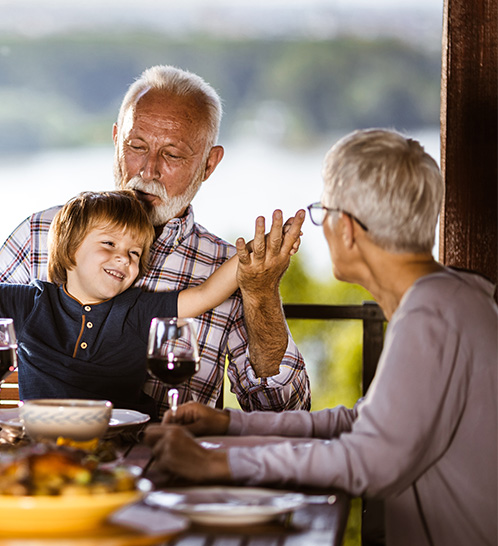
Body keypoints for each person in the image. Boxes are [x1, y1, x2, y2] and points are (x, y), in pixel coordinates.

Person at [0, 65, 310, 415]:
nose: (148, 171)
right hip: (32, 474)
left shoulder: (229, 268)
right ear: (114, 139)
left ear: (209, 164)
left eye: (173, 155)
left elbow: (283, 411)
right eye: (137, 146)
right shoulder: (41, 233)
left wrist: (261, 292)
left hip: (159, 484)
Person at [143, 129, 497, 546]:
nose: (321, 224)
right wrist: (230, 423)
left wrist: (218, 464)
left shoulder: (432, 314)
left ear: (346, 229)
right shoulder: (453, 296)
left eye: (322, 210)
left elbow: (370, 459)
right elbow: (361, 422)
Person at [0, 190, 300, 416]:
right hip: (37, 442)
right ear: (70, 250)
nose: (125, 259)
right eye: (109, 246)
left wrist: (253, 260)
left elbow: (204, 295)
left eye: (135, 253)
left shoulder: (139, 307)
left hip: (123, 445)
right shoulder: (30, 302)